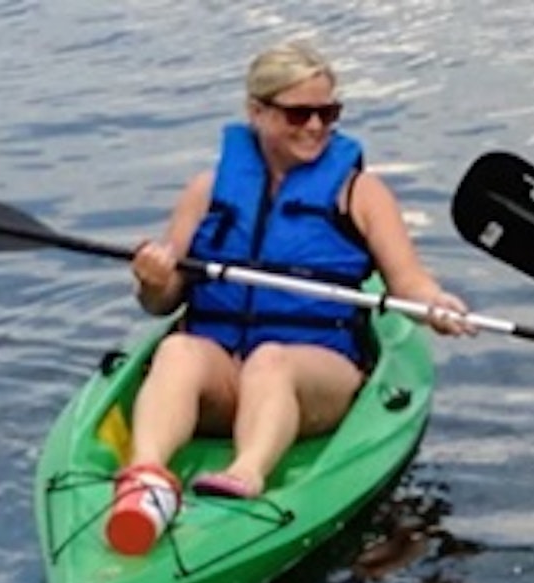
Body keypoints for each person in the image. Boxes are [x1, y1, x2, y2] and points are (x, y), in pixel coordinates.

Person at [107, 40, 473, 555]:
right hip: (224, 376)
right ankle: (146, 478)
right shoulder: (206, 189)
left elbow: (409, 283)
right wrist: (151, 280)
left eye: (329, 113)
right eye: (299, 114)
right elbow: (163, 304)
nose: (317, 127)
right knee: (176, 350)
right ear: (256, 112)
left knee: (270, 360)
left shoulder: (359, 192)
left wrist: (437, 304)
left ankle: (247, 473)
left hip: (313, 380)